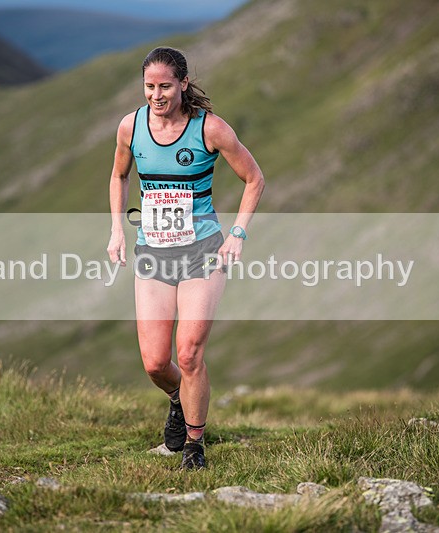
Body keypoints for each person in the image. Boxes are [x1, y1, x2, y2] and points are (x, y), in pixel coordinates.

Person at [107, 47, 264, 470]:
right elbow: (120, 174)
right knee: (156, 362)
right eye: (149, 86)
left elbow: (254, 178)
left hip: (203, 251)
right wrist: (117, 228)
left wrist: (237, 234)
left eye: (164, 86)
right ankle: (180, 398)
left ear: (183, 84)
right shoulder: (131, 126)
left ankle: (193, 444)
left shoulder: (210, 129)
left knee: (190, 352)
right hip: (154, 253)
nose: (156, 95)